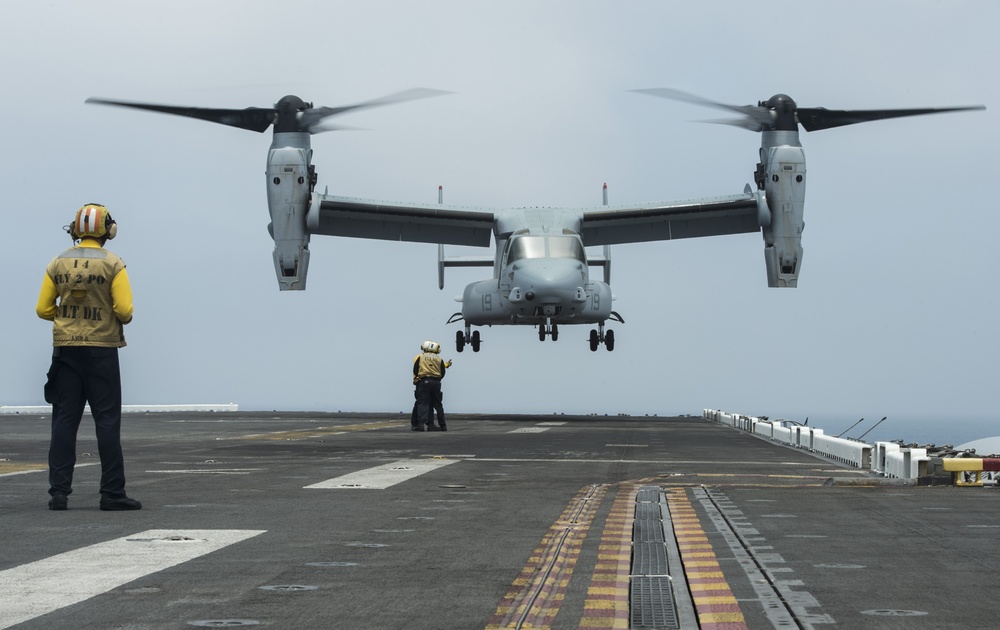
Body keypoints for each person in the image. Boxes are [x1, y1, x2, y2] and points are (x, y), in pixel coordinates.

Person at [35, 203, 141, 511]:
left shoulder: (57, 262)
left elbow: (43, 309)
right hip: (102, 351)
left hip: (65, 350)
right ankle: (112, 493)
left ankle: (58, 493)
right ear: (108, 230)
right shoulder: (113, 264)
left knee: (64, 421)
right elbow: (124, 311)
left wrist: (67, 318)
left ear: (76, 229)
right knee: (106, 421)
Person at [412, 341, 451, 431]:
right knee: (438, 405)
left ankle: (420, 425)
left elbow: (415, 369)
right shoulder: (439, 359)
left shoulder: (421, 357)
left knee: (423, 403)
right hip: (436, 383)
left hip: (424, 382)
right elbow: (442, 372)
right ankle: (443, 425)